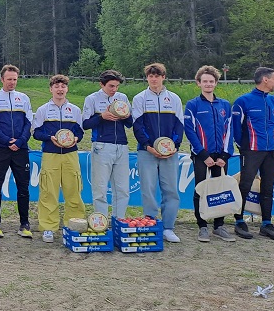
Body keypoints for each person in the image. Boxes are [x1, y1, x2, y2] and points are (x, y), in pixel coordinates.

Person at [231, 67, 274, 240]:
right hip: (251, 151)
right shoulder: (243, 101)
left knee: (267, 188)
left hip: (271, 150)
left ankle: (266, 223)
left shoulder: (272, 101)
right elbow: (235, 128)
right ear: (265, 80)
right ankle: (239, 221)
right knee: (245, 185)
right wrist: (243, 147)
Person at [132, 63, 184, 243]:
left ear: (163, 77)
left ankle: (168, 227)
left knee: (170, 190)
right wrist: (148, 146)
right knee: (148, 190)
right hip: (147, 152)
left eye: (157, 75)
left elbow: (179, 125)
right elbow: (137, 126)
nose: (154, 79)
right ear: (147, 78)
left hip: (170, 153)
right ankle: (151, 223)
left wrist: (174, 146)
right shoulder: (139, 98)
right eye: (150, 76)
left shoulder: (174, 98)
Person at [184, 65, 235, 242]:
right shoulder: (193, 105)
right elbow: (189, 131)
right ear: (198, 83)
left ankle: (219, 225)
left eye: (211, 81)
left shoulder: (225, 105)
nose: (208, 84)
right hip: (201, 155)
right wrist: (203, 155)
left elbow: (230, 130)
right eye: (204, 81)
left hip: (220, 156)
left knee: (221, 190)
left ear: (216, 83)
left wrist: (225, 156)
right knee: (201, 189)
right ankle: (202, 226)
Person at [32, 75, 86, 243]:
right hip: (50, 155)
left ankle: (73, 225)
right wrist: (50, 138)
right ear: (51, 89)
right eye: (57, 86)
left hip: (71, 155)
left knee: (74, 190)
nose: (60, 89)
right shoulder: (43, 110)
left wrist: (76, 138)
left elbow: (80, 132)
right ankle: (49, 227)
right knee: (49, 192)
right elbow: (36, 133)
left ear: (67, 89)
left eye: (63, 86)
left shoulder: (75, 110)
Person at [0, 64, 33, 238]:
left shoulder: (24, 98)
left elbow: (29, 123)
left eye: (15, 79)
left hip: (20, 149)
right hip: (0, 148)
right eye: (9, 79)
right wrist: (6, 141)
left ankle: (24, 224)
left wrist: (19, 142)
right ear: (2, 79)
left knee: (23, 188)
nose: (12, 82)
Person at [82, 70, 133, 219]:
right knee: (100, 189)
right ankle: (101, 222)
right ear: (101, 84)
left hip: (122, 146)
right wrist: (101, 116)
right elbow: (85, 124)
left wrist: (126, 115)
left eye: (116, 86)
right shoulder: (92, 99)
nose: (114, 89)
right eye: (111, 86)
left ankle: (119, 220)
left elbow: (130, 124)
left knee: (122, 189)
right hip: (101, 146)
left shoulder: (122, 98)